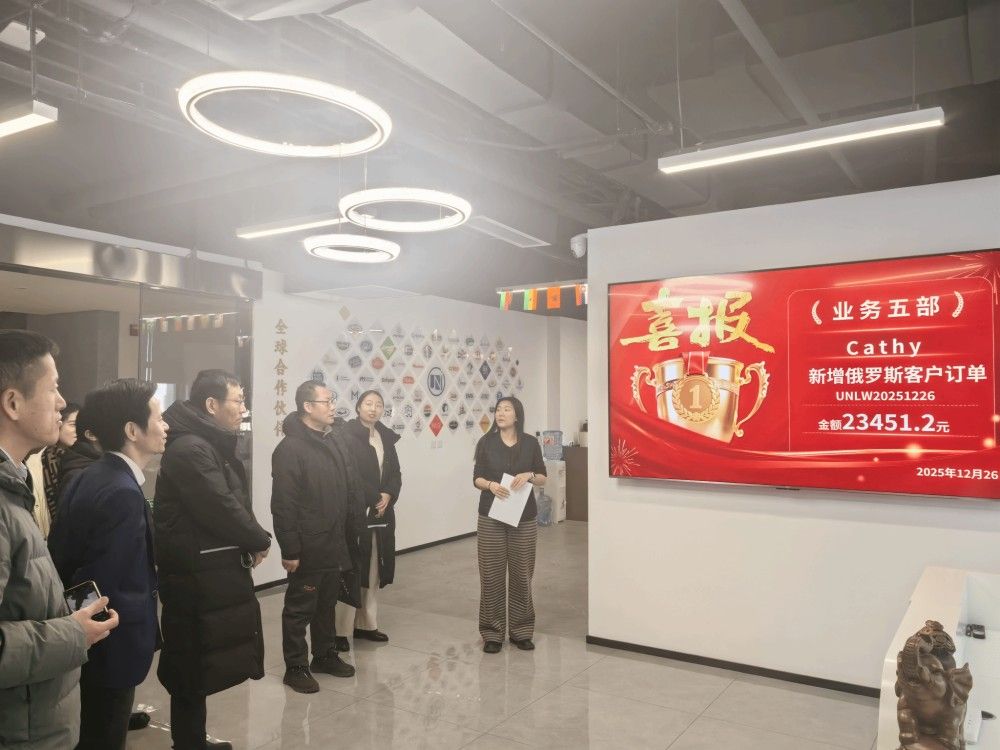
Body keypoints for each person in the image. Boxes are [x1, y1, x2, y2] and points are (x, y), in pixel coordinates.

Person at [0, 330, 119, 748]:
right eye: (53, 388)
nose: (63, 402)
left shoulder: (13, 483)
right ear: (13, 403)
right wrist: (72, 634)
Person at [155, 370, 272, 750]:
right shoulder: (191, 448)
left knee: (198, 659)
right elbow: (219, 505)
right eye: (238, 400)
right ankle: (187, 743)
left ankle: (192, 741)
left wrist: (252, 535)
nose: (243, 408)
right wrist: (258, 538)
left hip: (205, 569)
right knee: (191, 659)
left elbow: (230, 500)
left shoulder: (204, 443)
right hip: (193, 575)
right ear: (211, 404)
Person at [48, 379, 165, 749]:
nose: (165, 426)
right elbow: (105, 583)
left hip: (90, 645)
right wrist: (92, 637)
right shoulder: (121, 492)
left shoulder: (95, 475)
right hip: (110, 646)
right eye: (158, 418)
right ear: (132, 430)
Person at [271, 380, 362, 693]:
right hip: (308, 544)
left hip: (334, 541)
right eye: (327, 401)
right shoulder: (290, 449)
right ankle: (295, 666)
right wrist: (290, 549)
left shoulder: (332, 440)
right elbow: (283, 505)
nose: (333, 407)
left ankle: (324, 655)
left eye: (332, 400)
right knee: (300, 608)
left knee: (326, 603)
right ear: (307, 407)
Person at [472, 396, 546, 653]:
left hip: (523, 518)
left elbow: (543, 477)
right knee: (491, 575)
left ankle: (521, 631)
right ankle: (492, 633)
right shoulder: (486, 442)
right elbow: (477, 478)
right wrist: (491, 485)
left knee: (522, 574)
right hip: (491, 516)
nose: (500, 413)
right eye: (498, 409)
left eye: (507, 409)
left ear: (517, 416)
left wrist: (530, 475)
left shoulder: (530, 443)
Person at [335, 390, 402, 651]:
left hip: (380, 512)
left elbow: (395, 473)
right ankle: (340, 630)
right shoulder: (346, 435)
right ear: (358, 407)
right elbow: (348, 474)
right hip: (355, 512)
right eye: (368, 404)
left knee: (374, 567)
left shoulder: (385, 436)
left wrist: (388, 494)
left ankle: (366, 624)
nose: (373, 409)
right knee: (351, 569)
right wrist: (374, 495)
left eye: (379, 405)